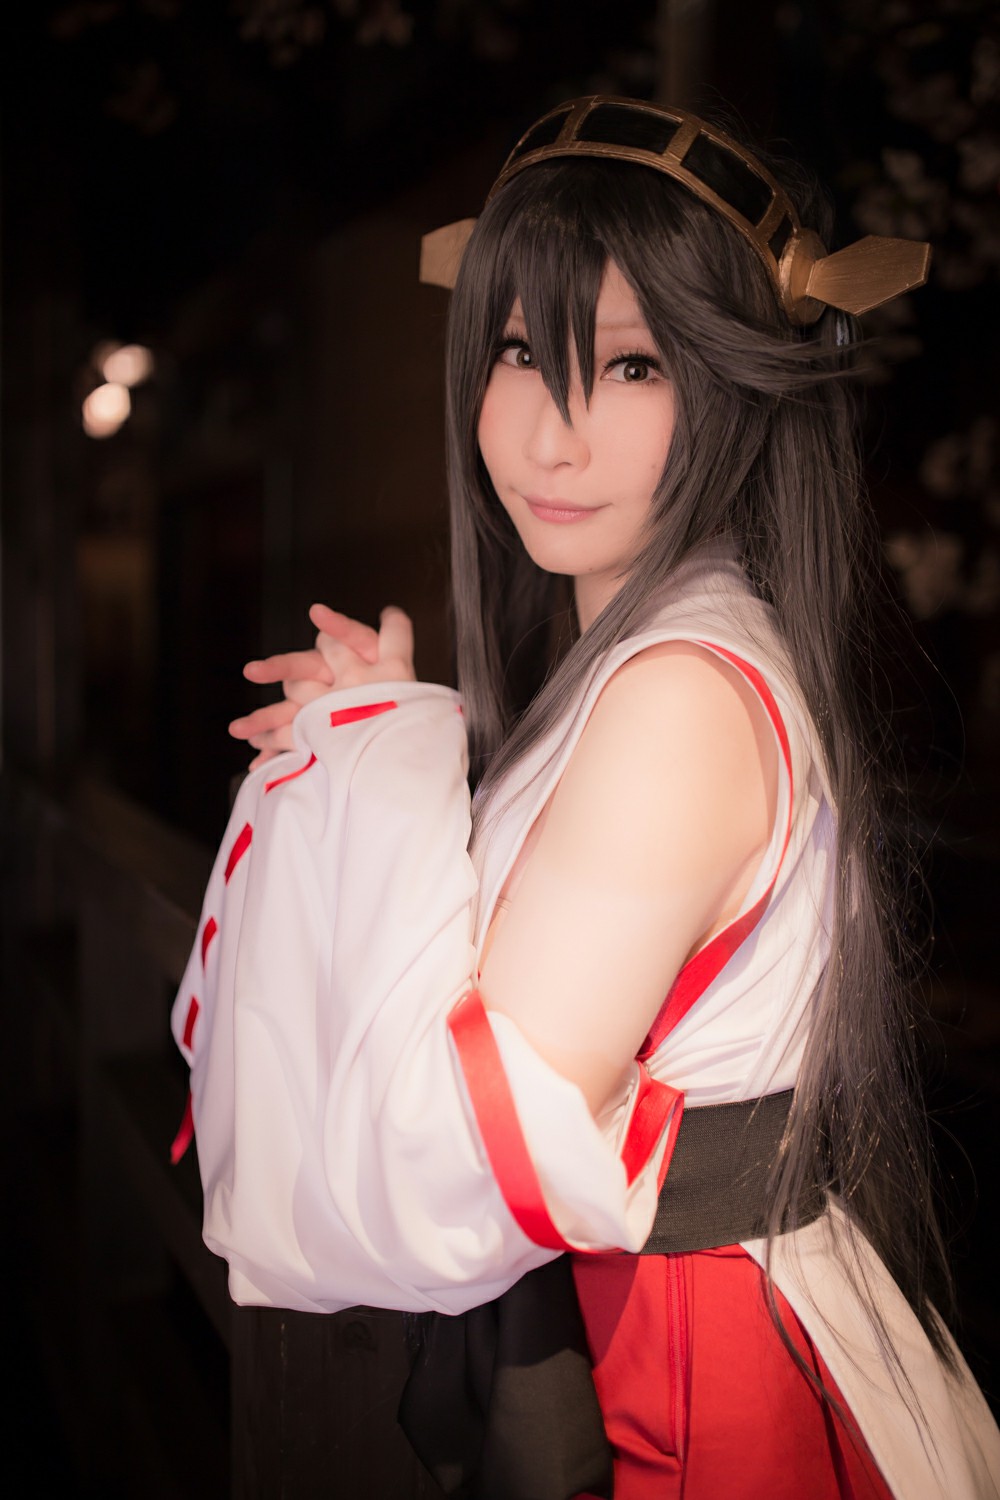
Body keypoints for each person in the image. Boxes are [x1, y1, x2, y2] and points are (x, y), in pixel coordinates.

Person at [173, 97, 1000, 1498]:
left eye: (630, 365)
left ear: (736, 385)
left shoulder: (678, 698)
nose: (552, 438)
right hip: (639, 1330)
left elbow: (448, 1171)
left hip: (695, 1378)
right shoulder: (639, 658)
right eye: (518, 352)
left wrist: (381, 783)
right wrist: (383, 742)